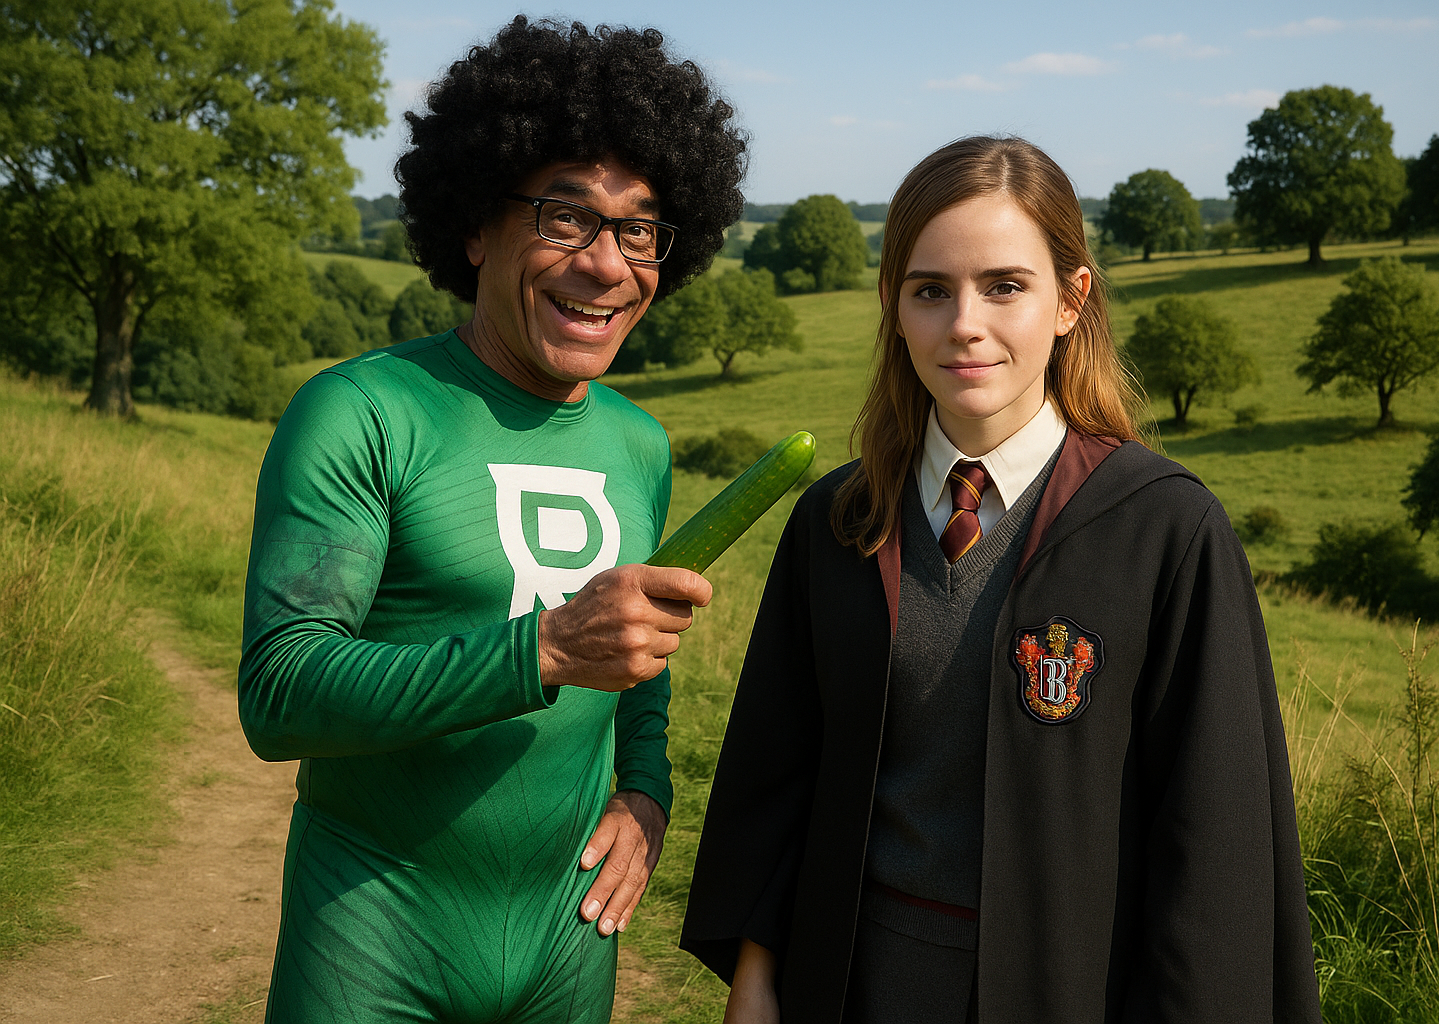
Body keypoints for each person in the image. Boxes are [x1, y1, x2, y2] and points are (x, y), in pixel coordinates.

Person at [679, 136, 1323, 1024]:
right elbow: (778, 776)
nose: (964, 323)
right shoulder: (838, 522)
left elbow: (1213, 841)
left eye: (1005, 286)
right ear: (892, 304)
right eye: (930, 290)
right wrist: (757, 978)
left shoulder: (1164, 530)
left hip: (1072, 991)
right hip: (854, 986)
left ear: (1071, 300)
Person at [238, 17, 746, 1023]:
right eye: (565, 217)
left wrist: (646, 791)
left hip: (568, 945)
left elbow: (638, 654)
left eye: (638, 229)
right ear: (476, 225)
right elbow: (281, 690)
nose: (606, 265)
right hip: (371, 939)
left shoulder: (640, 445)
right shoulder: (361, 410)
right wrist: (544, 648)